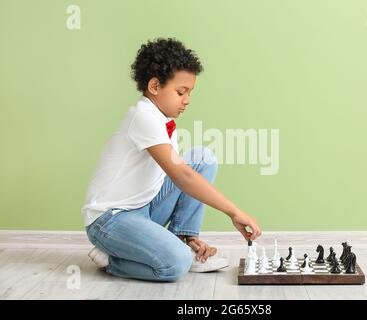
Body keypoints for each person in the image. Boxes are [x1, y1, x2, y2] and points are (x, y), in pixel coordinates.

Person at [81, 38, 261, 282]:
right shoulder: (143, 116)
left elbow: (182, 173)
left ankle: (183, 239)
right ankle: (113, 260)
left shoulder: (162, 119)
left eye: (190, 92)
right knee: (175, 264)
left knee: (201, 158)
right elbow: (182, 176)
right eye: (181, 92)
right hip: (110, 220)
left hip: (142, 209)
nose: (187, 100)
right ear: (154, 86)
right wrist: (234, 212)